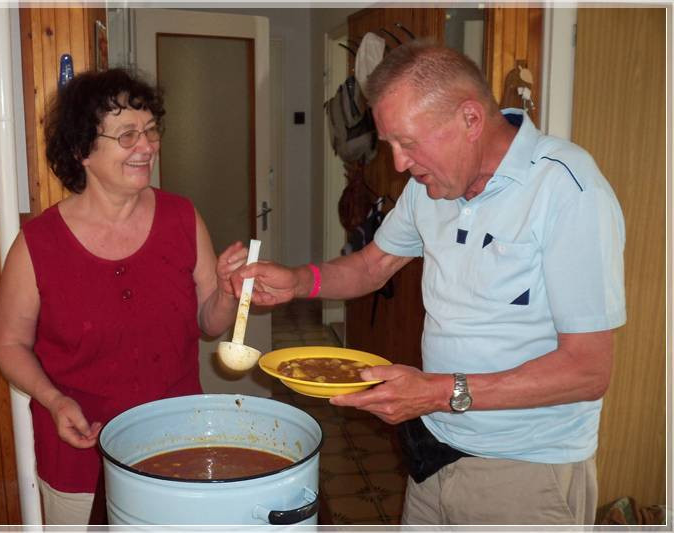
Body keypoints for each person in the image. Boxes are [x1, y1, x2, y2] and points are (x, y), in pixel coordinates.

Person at [234, 40, 626, 525]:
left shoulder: (567, 190)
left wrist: (439, 392)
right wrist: (297, 281)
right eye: (390, 145)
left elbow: (588, 372)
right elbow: (374, 265)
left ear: (469, 119)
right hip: (433, 454)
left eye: (408, 143)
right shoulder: (431, 186)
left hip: (525, 472)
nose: (398, 164)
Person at [0, 68, 248, 524]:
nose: (147, 146)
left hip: (176, 443)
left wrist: (228, 293)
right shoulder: (38, 243)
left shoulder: (182, 217)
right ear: (81, 150)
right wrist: (52, 400)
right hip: (79, 450)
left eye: (150, 130)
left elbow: (210, 323)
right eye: (127, 135)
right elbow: (9, 344)